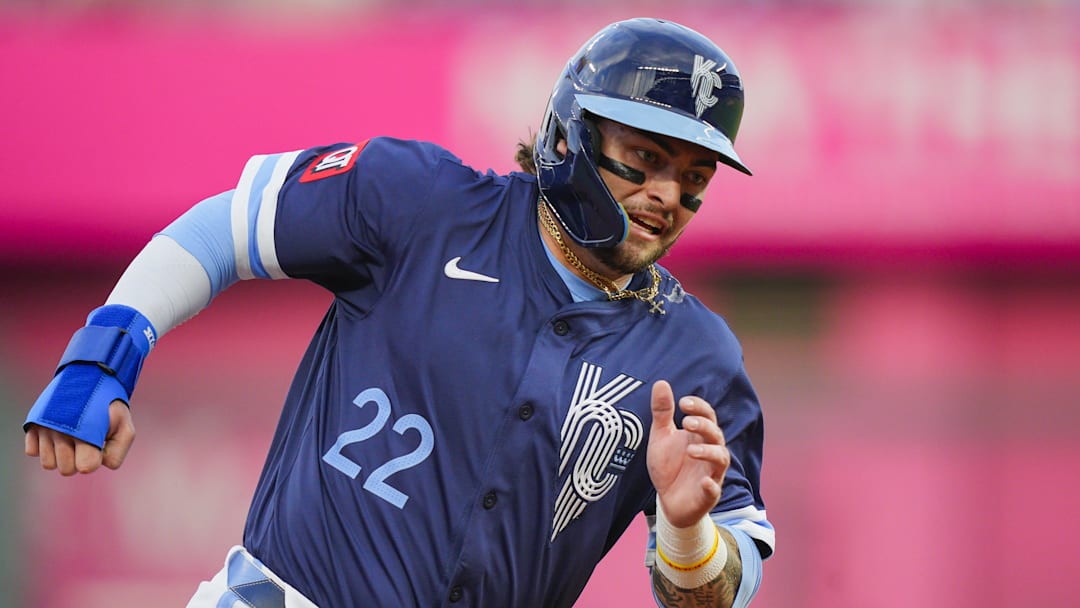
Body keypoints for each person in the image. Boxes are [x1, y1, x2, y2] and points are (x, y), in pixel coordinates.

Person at [23, 17, 774, 608]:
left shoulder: (696, 356)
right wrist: (107, 347)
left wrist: (685, 531)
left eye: (694, 177)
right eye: (644, 160)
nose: (669, 196)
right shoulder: (422, 204)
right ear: (568, 134)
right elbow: (228, 229)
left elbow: (712, 592)